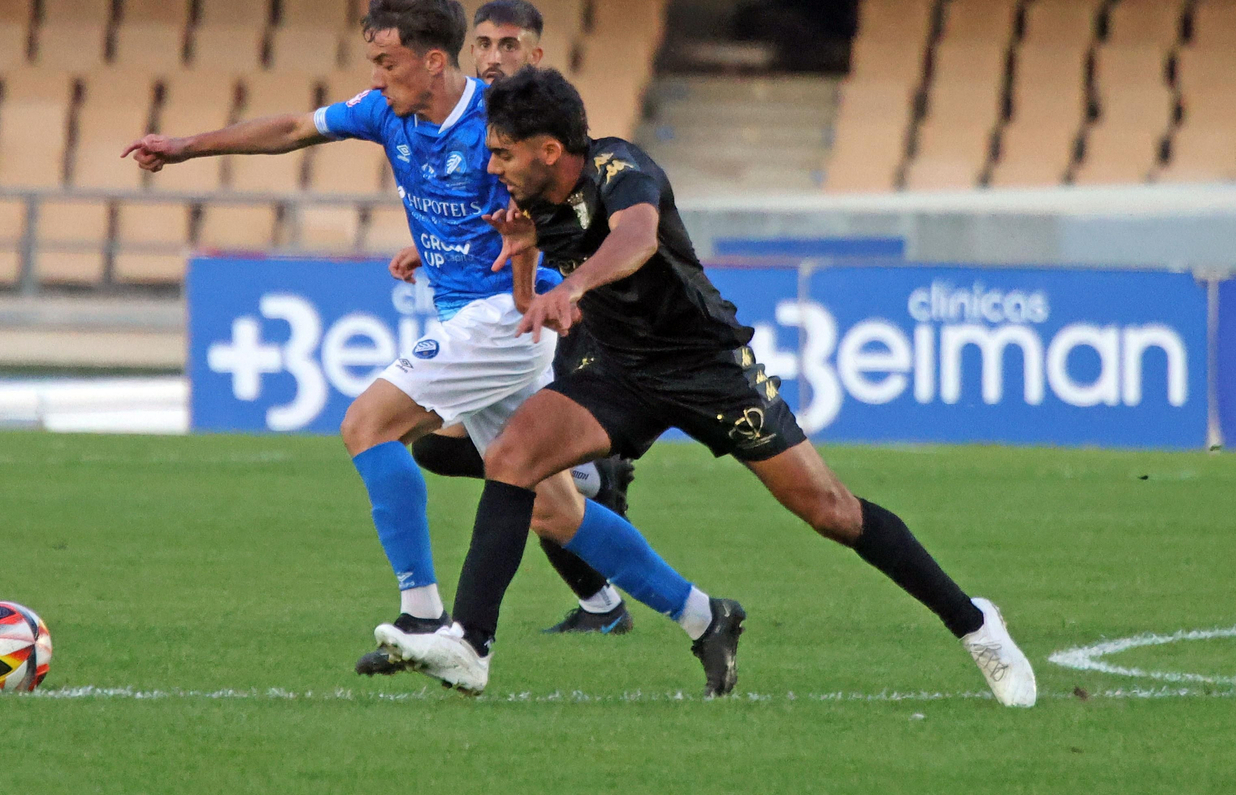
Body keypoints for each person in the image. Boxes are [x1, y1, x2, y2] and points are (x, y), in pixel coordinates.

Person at [381, 66, 1038, 706]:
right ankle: (470, 645)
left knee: (830, 511)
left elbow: (635, 239)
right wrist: (521, 251)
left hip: (707, 368)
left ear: (549, 151)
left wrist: (576, 284)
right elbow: (526, 298)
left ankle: (977, 626)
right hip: (620, 370)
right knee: (512, 456)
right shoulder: (526, 201)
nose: (493, 167)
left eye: (502, 153)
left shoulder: (621, 169)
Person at [122, 0, 642, 674]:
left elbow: (550, 214)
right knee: (548, 504)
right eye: (485, 43)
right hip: (482, 313)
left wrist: (546, 276)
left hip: (522, 314)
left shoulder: (504, 123)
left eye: (383, 60)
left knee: (373, 425)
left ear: (431, 60)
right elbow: (291, 130)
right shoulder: (385, 111)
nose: (373, 75)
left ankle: (423, 610)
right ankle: (693, 610)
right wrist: (188, 146)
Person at [402, 0, 638, 636]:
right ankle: (606, 595)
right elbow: (483, 207)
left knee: (521, 472)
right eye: (482, 44)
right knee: (470, 458)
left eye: (509, 46)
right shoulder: (473, 117)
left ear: (536, 54)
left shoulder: (551, 125)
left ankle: (609, 601)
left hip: (560, 315)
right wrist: (432, 245)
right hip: (510, 306)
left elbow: (572, 216)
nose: (493, 56)